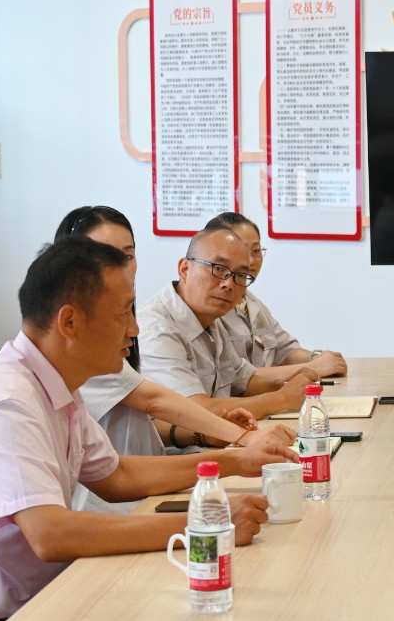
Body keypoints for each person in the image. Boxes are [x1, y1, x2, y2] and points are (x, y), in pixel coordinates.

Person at [0, 238, 271, 621]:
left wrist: (233, 460)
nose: (134, 329)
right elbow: (50, 535)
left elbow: (117, 475)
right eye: (123, 314)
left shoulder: (56, 383)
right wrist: (204, 527)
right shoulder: (8, 400)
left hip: (41, 605)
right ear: (70, 322)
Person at [54, 206, 297, 512]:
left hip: (145, 486)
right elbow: (155, 403)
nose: (134, 330)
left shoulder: (216, 319)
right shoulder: (85, 347)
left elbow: (133, 445)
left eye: (127, 255)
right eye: (103, 254)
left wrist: (212, 437)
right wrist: (244, 440)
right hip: (115, 506)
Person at [137, 227, 322, 420]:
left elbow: (243, 380)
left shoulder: (212, 321)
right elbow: (193, 411)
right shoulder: (157, 329)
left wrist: (293, 382)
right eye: (218, 269)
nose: (229, 284)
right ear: (185, 269)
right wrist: (281, 399)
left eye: (240, 275)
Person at [201, 211, 347, 377]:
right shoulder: (211, 307)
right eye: (240, 250)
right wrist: (313, 368)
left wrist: (318, 358)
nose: (250, 261)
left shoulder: (251, 302)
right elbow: (236, 377)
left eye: (256, 250)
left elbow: (284, 350)